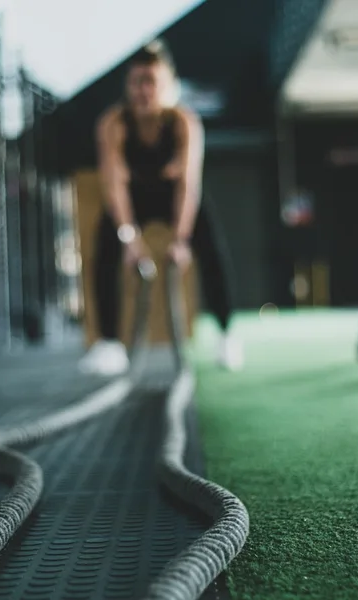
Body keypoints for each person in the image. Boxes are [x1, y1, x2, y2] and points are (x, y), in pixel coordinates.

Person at [78, 40, 243, 376]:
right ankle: (109, 344)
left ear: (167, 85)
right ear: (128, 86)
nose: (144, 91)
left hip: (173, 198)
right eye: (137, 82)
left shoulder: (184, 123)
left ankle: (227, 334)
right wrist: (129, 240)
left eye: (151, 82)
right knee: (105, 243)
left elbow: (188, 185)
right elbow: (114, 186)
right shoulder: (113, 124)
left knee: (210, 244)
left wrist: (181, 240)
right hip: (133, 199)